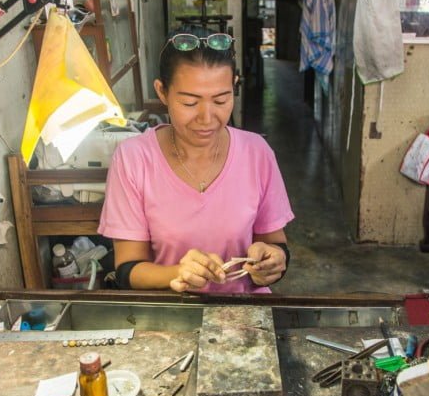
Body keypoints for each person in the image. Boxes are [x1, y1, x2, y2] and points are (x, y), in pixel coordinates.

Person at [98, 31, 294, 293]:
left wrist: (273, 260)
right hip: (168, 316)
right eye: (190, 102)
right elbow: (127, 269)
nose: (206, 117)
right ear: (162, 92)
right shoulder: (134, 158)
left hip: (244, 312)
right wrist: (177, 273)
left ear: (234, 85)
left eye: (221, 100)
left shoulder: (257, 153)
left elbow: (275, 243)